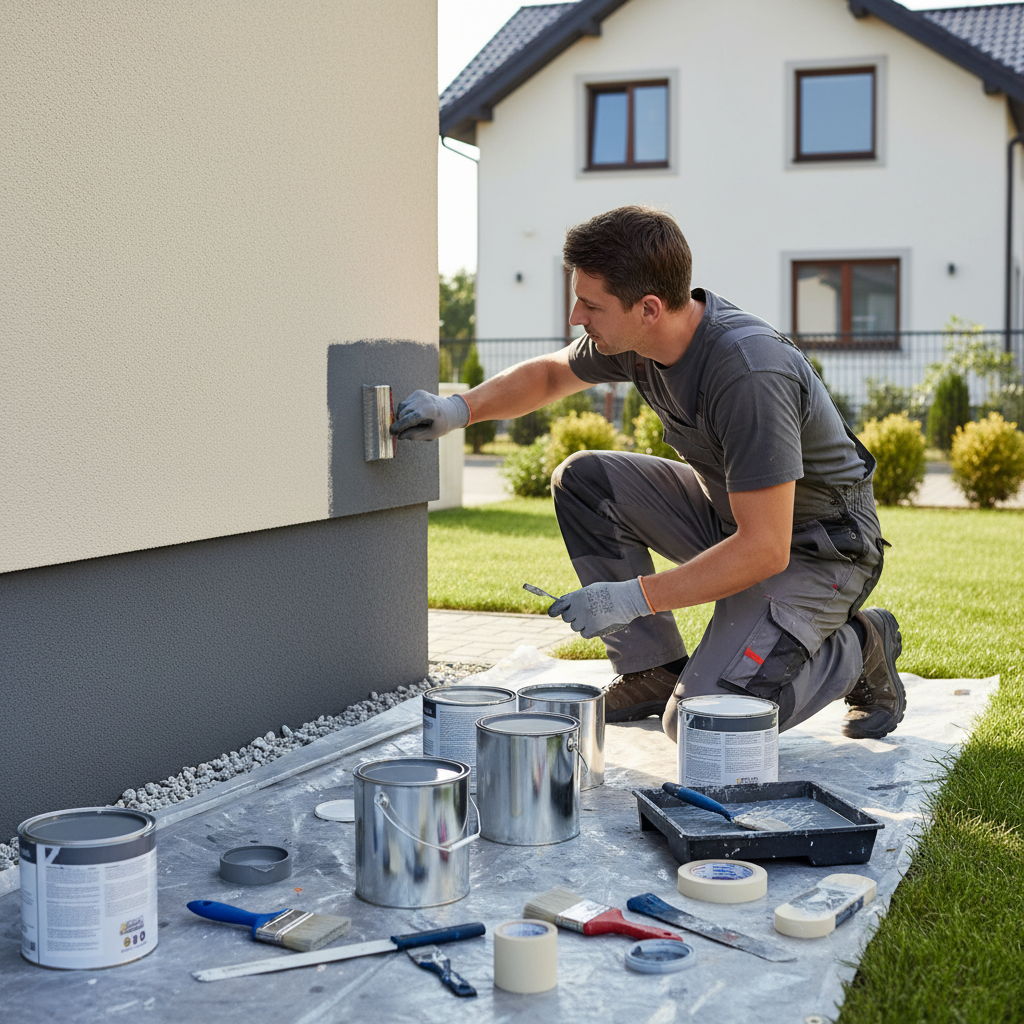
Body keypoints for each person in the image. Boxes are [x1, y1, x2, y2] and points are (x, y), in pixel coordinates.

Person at [392, 206, 904, 741]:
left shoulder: (749, 374)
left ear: (649, 308)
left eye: (590, 305)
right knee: (585, 480)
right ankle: (651, 669)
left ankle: (861, 645)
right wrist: (457, 410)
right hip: (733, 517)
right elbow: (549, 375)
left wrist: (630, 598)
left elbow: (765, 550)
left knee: (703, 728)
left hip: (818, 549)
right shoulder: (635, 343)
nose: (575, 317)